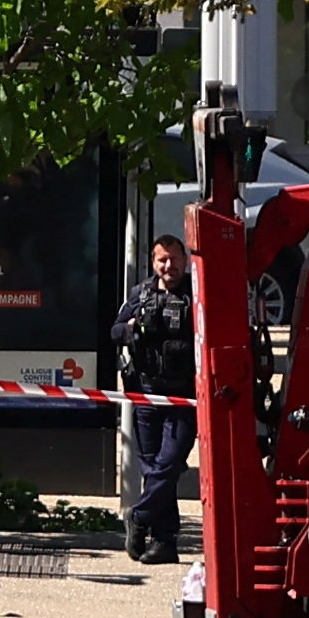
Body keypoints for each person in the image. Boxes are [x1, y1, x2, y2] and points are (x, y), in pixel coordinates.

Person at [113, 234, 200, 563]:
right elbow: (115, 330)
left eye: (175, 259)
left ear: (185, 260)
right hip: (147, 393)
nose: (169, 265)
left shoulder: (197, 295)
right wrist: (132, 326)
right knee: (153, 467)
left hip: (184, 398)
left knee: (169, 463)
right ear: (153, 262)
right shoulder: (142, 294)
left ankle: (140, 516)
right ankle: (164, 542)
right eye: (163, 259)